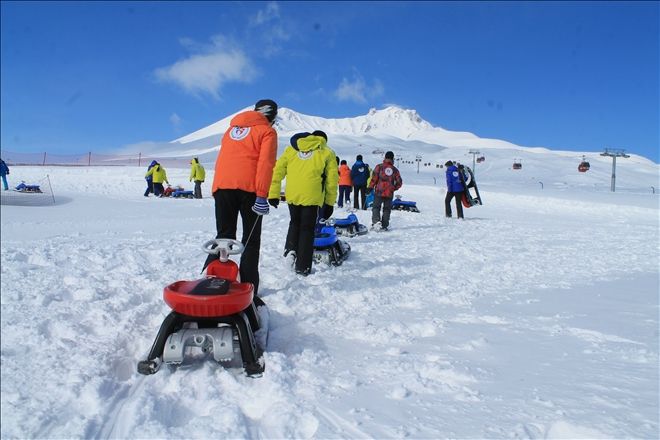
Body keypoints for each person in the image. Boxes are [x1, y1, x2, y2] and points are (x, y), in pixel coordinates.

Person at [209, 99, 278, 297]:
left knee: (223, 237)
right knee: (250, 240)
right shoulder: (267, 131)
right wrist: (262, 195)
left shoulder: (230, 130)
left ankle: (212, 283)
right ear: (272, 117)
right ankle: (249, 290)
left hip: (222, 187)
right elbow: (265, 164)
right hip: (250, 190)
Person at [268, 131, 338, 276]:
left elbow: (277, 171)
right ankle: (303, 266)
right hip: (312, 196)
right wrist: (329, 203)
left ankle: (290, 251)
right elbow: (332, 181)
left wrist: (274, 193)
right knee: (307, 228)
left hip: (293, 194)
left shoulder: (291, 149)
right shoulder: (326, 152)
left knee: (294, 222)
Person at [369, 151, 402, 231]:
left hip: (379, 192)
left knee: (376, 207)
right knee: (387, 209)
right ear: (392, 158)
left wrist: (370, 187)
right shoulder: (395, 170)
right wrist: (393, 188)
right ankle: (384, 225)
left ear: (385, 158)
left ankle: (376, 222)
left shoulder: (379, 167)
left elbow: (374, 178)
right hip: (389, 193)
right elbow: (399, 182)